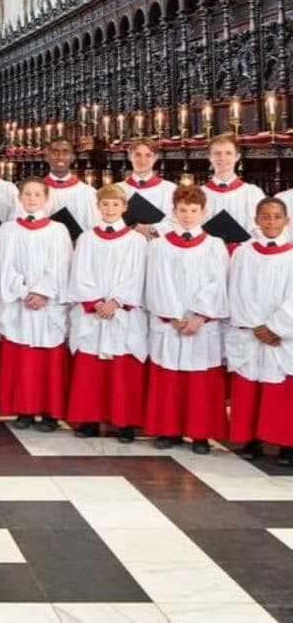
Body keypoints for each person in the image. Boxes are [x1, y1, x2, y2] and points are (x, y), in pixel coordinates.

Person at [144, 185, 229, 454]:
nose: (188, 216)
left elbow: (219, 284)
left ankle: (200, 434)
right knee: (168, 377)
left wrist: (200, 315)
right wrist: (173, 315)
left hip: (201, 325)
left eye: (194, 211)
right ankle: (168, 430)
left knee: (200, 381)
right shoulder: (159, 246)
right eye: (183, 210)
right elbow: (157, 282)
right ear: (174, 211)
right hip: (171, 323)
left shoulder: (214, 246)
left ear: (203, 212)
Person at [65, 184, 148, 443]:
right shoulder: (88, 238)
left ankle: (125, 422)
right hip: (94, 312)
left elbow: (138, 275)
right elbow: (80, 273)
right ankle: (90, 419)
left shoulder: (136, 240)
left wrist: (117, 301)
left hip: (122, 312)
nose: (110, 209)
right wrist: (96, 302)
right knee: (91, 370)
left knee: (123, 369)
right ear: (98, 207)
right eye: (105, 204)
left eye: (115, 204)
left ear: (124, 207)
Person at [0, 177, 72, 431]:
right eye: (27, 194)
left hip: (47, 305)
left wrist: (42, 292)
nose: (31, 199)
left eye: (37, 194)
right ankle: (24, 410)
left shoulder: (58, 230)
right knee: (21, 358)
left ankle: (50, 412)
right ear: (19, 198)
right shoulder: (8, 229)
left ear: (46, 199)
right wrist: (22, 290)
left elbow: (61, 266)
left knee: (48, 359)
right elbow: (3, 265)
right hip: (20, 302)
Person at [226, 197, 293, 466]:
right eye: (266, 216)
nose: (271, 222)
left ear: (286, 221)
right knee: (251, 386)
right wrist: (257, 325)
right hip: (252, 331)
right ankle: (251, 438)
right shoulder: (243, 253)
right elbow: (237, 289)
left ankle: (287, 444)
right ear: (256, 220)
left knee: (281, 391)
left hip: (282, 336)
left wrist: (277, 326)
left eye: (277, 217)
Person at [201, 133, 265, 246]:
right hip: (208, 255)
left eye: (228, 153)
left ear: (237, 157)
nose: (223, 158)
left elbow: (261, 229)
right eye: (217, 153)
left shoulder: (252, 192)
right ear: (209, 157)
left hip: (244, 255)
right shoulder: (200, 194)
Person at [118, 138, 176, 238]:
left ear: (155, 158)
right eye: (137, 155)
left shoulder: (170, 189)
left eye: (148, 155)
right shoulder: (117, 189)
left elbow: (177, 222)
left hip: (157, 246)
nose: (142, 160)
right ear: (130, 157)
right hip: (125, 246)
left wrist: (150, 229)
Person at [42, 137, 98, 240]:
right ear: (47, 156)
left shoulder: (88, 193)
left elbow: (95, 227)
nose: (60, 157)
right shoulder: (36, 192)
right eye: (55, 152)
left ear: (72, 158)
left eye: (65, 152)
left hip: (77, 250)